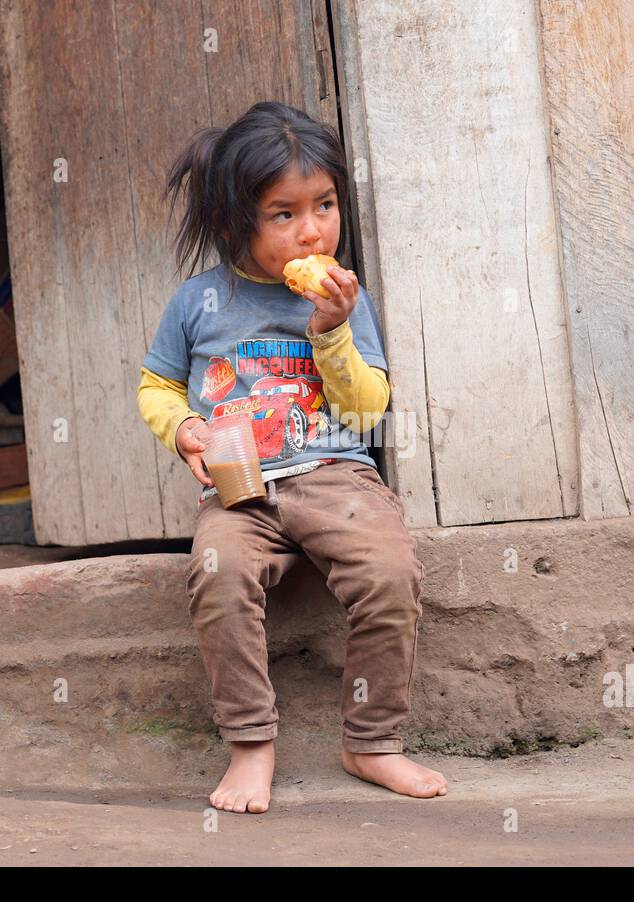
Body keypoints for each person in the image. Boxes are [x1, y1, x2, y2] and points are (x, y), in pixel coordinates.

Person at [137, 101, 448, 813]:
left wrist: (332, 332)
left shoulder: (343, 296)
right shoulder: (199, 302)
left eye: (326, 205)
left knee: (391, 572)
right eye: (284, 213)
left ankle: (373, 743)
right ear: (233, 220)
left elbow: (368, 410)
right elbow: (155, 384)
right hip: (238, 485)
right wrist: (182, 426)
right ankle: (250, 745)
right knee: (218, 574)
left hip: (336, 474)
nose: (312, 229)